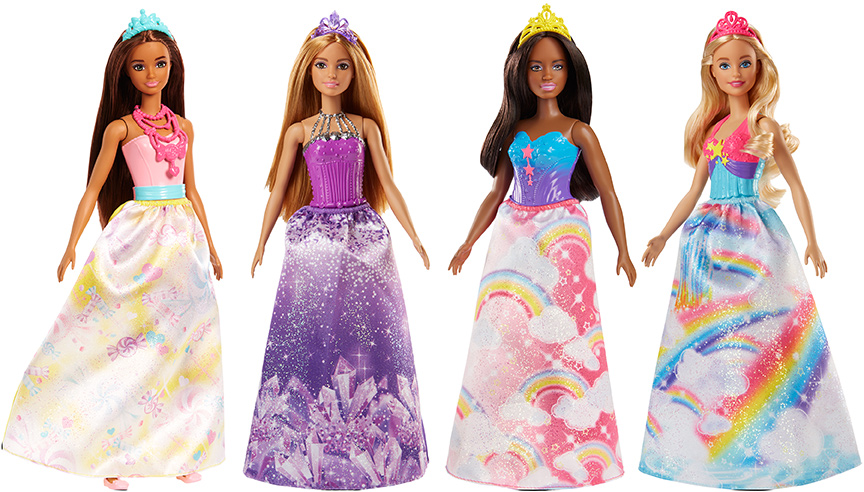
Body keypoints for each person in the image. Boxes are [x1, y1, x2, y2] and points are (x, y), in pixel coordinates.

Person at [1, 10, 225, 490]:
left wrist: (213, 247)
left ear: (172, 67)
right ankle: (112, 453)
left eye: (160, 63)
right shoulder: (120, 129)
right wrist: (70, 246)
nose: (151, 73)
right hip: (138, 237)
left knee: (184, 345)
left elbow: (194, 190)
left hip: (182, 242)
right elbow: (92, 189)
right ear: (125, 71)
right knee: (127, 344)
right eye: (140, 65)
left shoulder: (185, 127)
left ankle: (181, 448)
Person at [638, 11, 861, 489]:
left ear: (759, 67)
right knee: (713, 338)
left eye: (745, 63)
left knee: (761, 331)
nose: (735, 72)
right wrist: (662, 234)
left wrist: (813, 240)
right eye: (725, 65)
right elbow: (693, 192)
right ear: (711, 71)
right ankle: (716, 444)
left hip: (754, 237)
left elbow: (798, 187)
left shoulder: (764, 126)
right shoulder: (711, 132)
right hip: (707, 241)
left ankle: (770, 443)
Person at [445, 5, 635, 488]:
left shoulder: (578, 131)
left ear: (570, 72)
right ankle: (507, 445)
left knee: (564, 338)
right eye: (536, 66)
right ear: (520, 73)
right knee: (507, 336)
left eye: (556, 66)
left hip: (561, 237)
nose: (547, 75)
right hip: (513, 236)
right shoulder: (514, 131)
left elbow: (608, 192)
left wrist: (623, 248)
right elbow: (496, 193)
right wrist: (467, 242)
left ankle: (567, 445)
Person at [243, 11, 429, 489]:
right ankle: (305, 444)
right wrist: (261, 241)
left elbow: (389, 183)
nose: (332, 74)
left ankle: (374, 443)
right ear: (309, 71)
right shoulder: (299, 131)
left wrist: (413, 234)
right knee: (311, 331)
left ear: (355, 72)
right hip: (316, 239)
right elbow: (278, 190)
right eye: (323, 65)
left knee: (366, 331)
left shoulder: (365, 126)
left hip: (362, 235)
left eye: (342, 65)